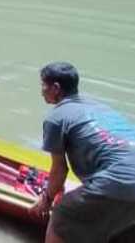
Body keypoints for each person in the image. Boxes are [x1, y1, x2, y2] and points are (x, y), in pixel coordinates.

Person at [29, 62, 135, 243]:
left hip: (117, 179)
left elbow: (60, 170)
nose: (42, 91)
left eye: (43, 85)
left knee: (63, 216)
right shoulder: (99, 107)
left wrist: (46, 198)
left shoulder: (56, 117)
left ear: (55, 88)